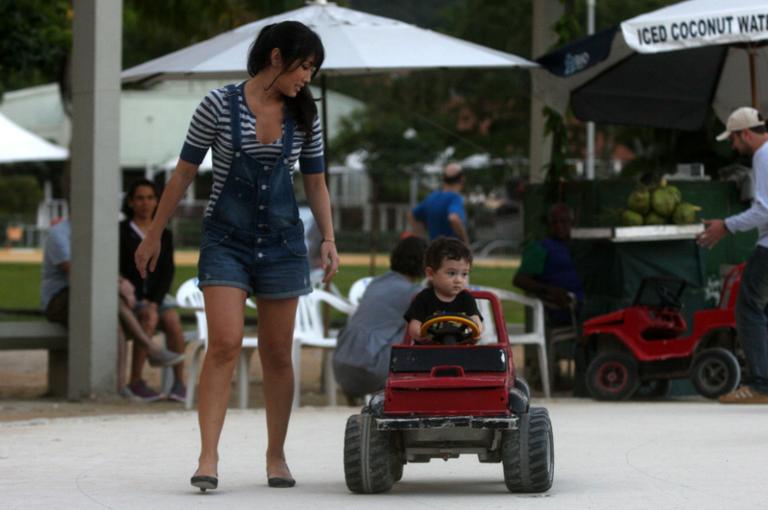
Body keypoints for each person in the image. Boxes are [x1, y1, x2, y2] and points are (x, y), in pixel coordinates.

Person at [134, 21, 339, 491]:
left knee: (277, 355)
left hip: (284, 244)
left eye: (312, 68)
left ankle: (276, 455)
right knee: (224, 344)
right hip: (226, 239)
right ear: (275, 57)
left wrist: (328, 239)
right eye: (304, 65)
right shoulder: (218, 105)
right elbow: (184, 174)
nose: (307, 77)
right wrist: (154, 235)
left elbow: (315, 183)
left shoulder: (306, 116)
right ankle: (208, 457)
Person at [40, 219, 184, 393]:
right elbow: (77, 272)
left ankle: (124, 386)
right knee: (112, 302)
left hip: (93, 295)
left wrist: (122, 283)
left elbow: (103, 268)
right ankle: (149, 349)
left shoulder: (93, 230)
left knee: (116, 325)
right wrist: (119, 284)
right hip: (60, 298)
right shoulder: (59, 234)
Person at [697, 106, 768, 404]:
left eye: (734, 139)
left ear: (747, 133)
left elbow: (764, 209)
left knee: (748, 308)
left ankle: (761, 385)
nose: (733, 146)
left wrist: (726, 225)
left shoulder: (763, 156)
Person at [333, 236, 428, 402]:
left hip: (341, 366)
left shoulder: (376, 283)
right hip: (372, 371)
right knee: (419, 333)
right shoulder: (414, 293)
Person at [119, 179, 187, 403]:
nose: (145, 203)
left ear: (157, 201)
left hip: (156, 297)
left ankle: (179, 382)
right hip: (131, 297)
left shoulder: (163, 234)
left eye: (150, 198)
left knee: (173, 321)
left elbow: (167, 272)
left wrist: (155, 303)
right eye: (140, 198)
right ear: (130, 202)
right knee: (147, 319)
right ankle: (136, 381)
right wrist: (146, 304)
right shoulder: (122, 232)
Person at [513, 203, 584, 325]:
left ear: (572, 223)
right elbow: (520, 280)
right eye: (554, 223)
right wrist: (549, 290)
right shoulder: (540, 248)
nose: (559, 226)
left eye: (563, 222)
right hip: (564, 305)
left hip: (585, 300)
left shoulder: (580, 245)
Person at [405, 237, 482, 342]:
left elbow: (475, 320)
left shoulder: (466, 299)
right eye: (451, 273)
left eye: (464, 274)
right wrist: (419, 333)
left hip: (460, 351)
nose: (458, 280)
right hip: (429, 351)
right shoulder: (423, 298)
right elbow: (414, 325)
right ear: (431, 274)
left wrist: (478, 330)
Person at [409, 162, 469, 244]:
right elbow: (454, 218)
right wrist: (465, 242)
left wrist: (421, 237)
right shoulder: (455, 198)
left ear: (443, 179)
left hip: (434, 249)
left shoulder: (432, 197)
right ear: (462, 179)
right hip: (452, 250)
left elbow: (411, 215)